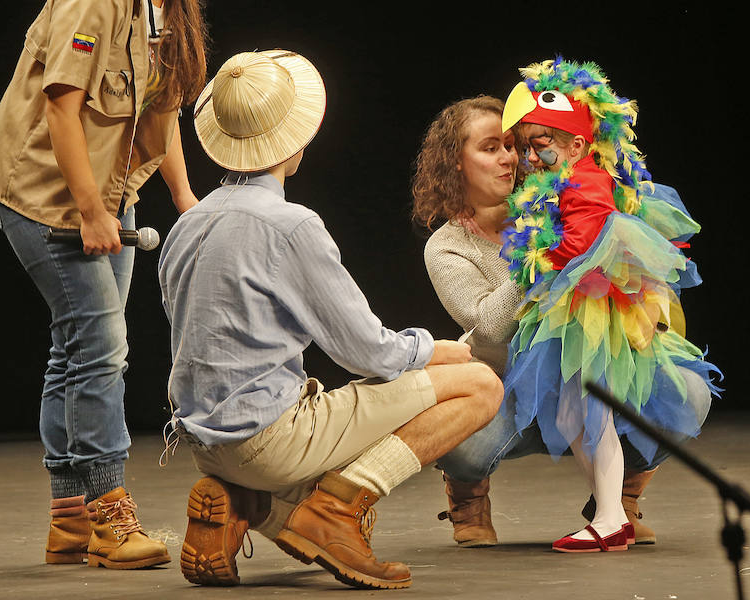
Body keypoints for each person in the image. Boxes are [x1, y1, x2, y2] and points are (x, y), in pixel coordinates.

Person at [158, 49, 503, 591]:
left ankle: (247, 500)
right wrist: (443, 350)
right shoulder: (291, 225)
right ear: (295, 141)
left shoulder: (188, 223)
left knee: (322, 418)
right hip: (265, 438)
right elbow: (372, 354)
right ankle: (335, 510)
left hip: (204, 442)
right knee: (479, 385)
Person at [413, 88, 716, 548]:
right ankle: (468, 495)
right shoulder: (450, 246)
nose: (509, 158)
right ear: (456, 161)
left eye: (512, 145)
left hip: (587, 371)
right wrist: (538, 250)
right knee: (459, 442)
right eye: (490, 148)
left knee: (688, 395)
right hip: (512, 385)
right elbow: (490, 326)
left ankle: (617, 504)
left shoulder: (557, 195)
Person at [0, 0, 207, 568]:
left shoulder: (164, 13)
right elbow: (62, 109)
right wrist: (90, 212)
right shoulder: (91, 3)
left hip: (113, 195)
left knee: (75, 349)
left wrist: (185, 199)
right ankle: (109, 513)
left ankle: (70, 520)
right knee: (100, 350)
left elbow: (162, 112)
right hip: (50, 199)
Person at [497, 57, 722, 552]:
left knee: (591, 413)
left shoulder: (587, 181)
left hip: (590, 312)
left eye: (542, 146)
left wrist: (540, 250)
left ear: (576, 144)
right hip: (571, 310)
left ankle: (612, 517)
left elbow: (584, 243)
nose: (531, 159)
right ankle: (610, 509)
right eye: (524, 147)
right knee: (568, 418)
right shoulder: (561, 181)